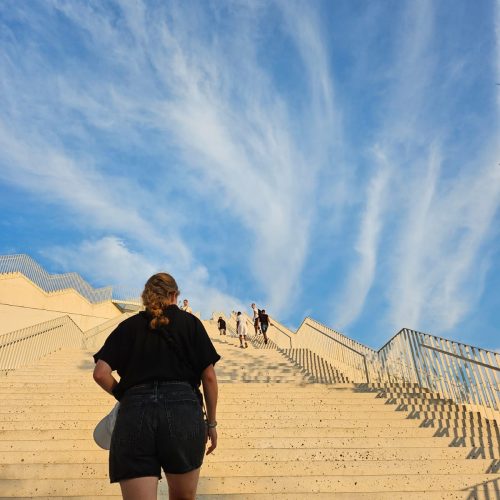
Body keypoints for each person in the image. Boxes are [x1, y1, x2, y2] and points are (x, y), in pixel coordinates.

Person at [92, 273, 220, 500]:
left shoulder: (128, 326)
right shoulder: (190, 324)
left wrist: (125, 395)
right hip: (183, 411)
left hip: (134, 413)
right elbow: (209, 377)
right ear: (174, 295)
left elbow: (101, 373)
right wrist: (211, 423)